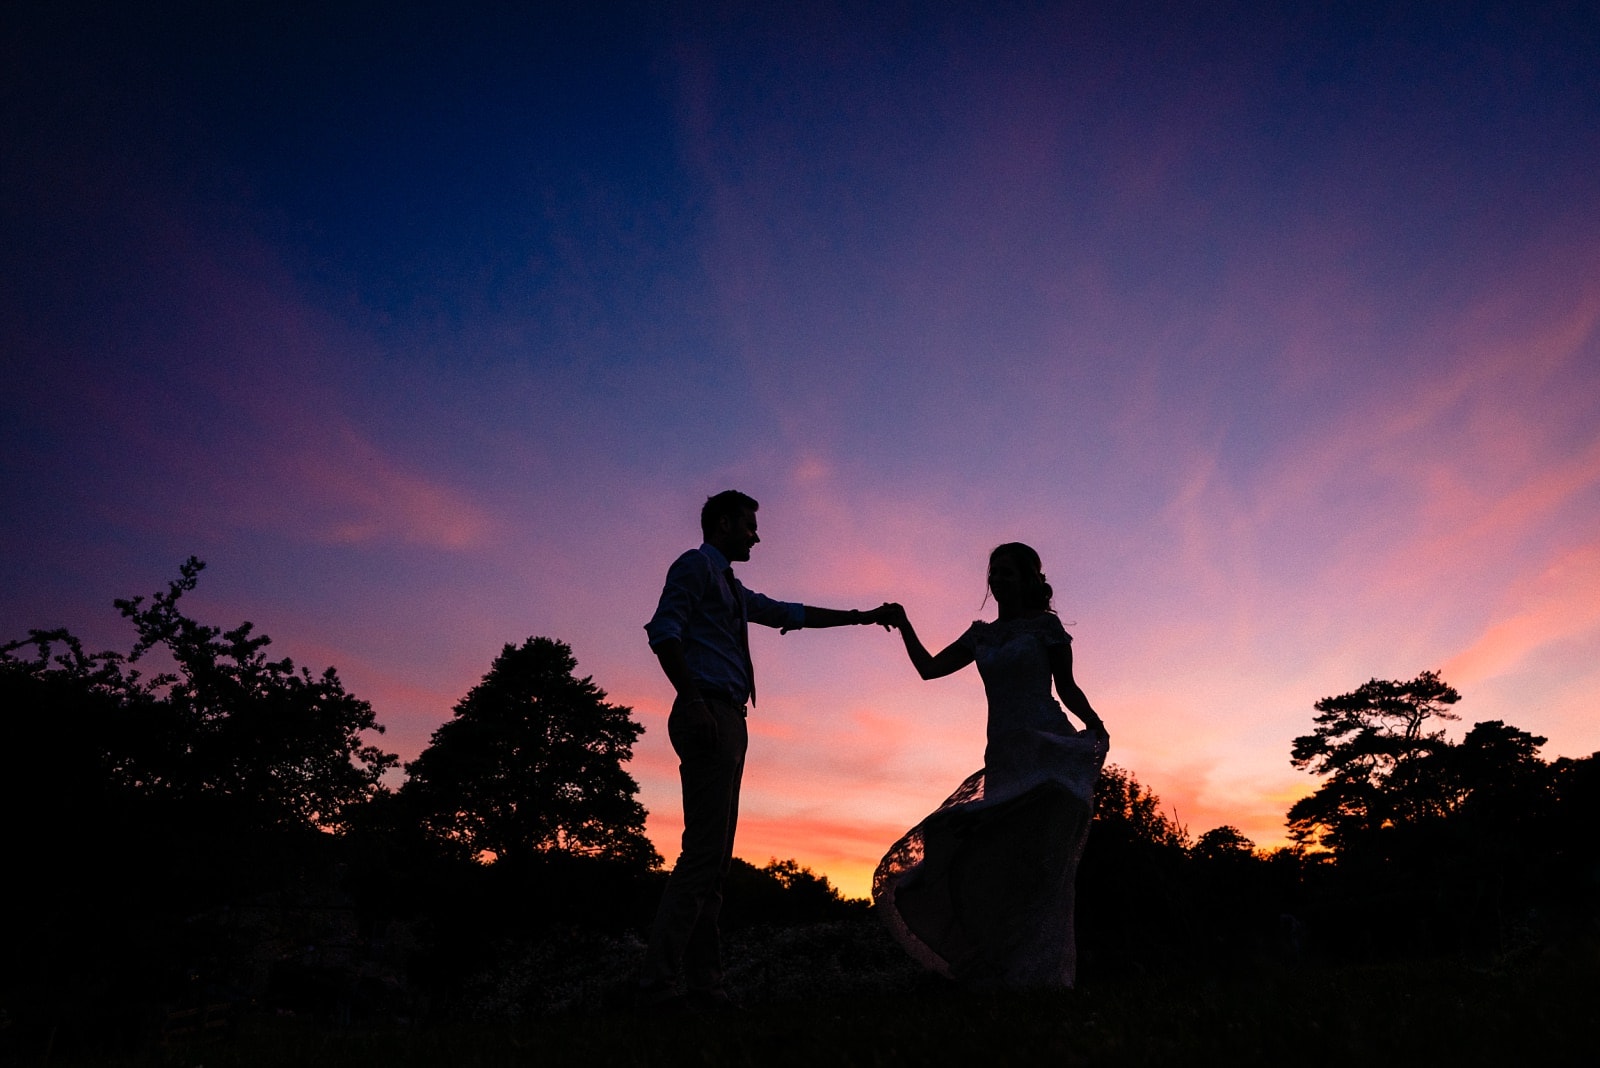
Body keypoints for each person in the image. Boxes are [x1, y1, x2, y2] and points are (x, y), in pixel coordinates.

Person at [638, 490, 896, 1011]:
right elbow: (663, 631)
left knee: (713, 863)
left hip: (728, 715)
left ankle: (704, 987)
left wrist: (862, 616)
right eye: (750, 525)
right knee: (702, 858)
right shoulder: (695, 566)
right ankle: (654, 986)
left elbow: (788, 612)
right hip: (707, 711)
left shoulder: (730, 585)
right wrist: (692, 703)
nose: (757, 535)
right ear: (724, 523)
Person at [875, 542, 1109, 988]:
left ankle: (1037, 971)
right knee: (976, 851)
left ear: (1027, 580)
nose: (997, 579)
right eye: (993, 572)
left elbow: (1068, 689)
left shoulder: (1046, 628)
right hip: (1003, 754)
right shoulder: (981, 635)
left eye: (1007, 572)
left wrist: (1095, 726)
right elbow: (928, 669)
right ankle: (989, 964)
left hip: (1046, 746)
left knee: (1038, 863)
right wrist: (904, 623)